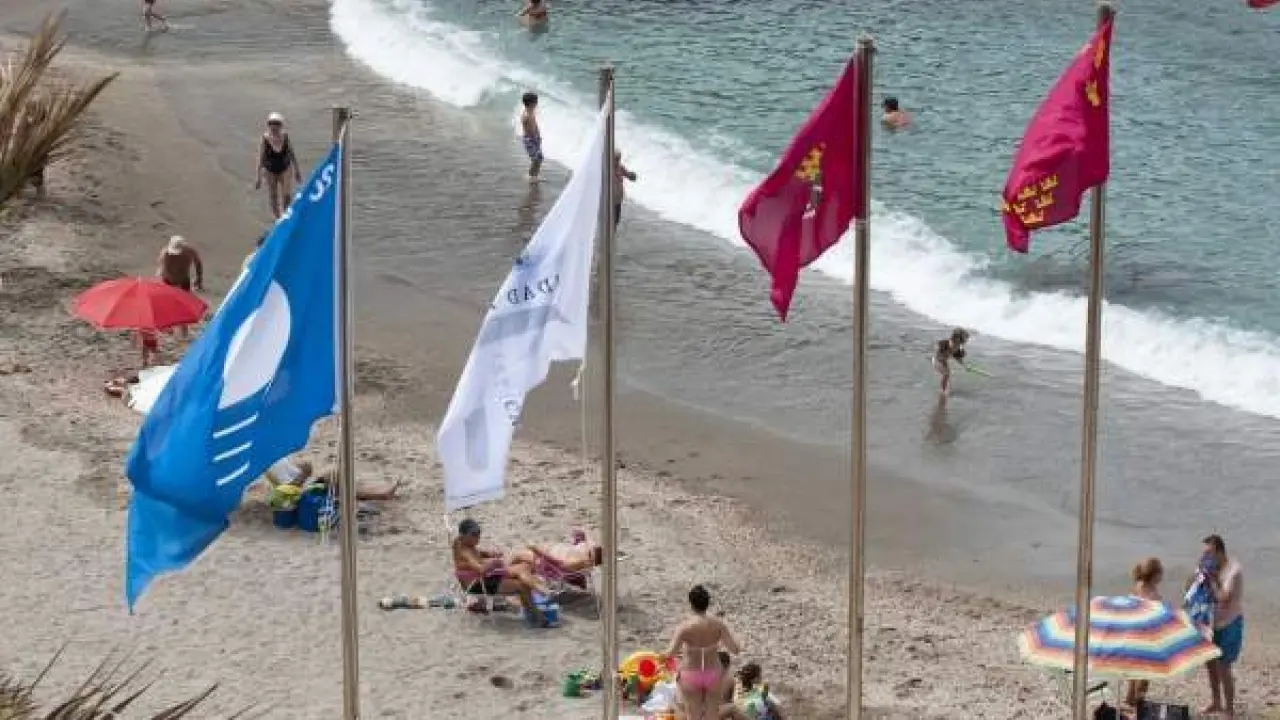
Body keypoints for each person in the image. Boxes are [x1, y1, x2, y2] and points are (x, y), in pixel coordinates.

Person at [665, 585, 741, 720]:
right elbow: (735, 649)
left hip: (690, 672)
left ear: (691, 604)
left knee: (693, 716)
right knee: (712, 716)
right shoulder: (718, 624)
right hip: (713, 672)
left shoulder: (685, 627)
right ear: (708, 603)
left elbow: (670, 653)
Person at [452, 518, 548, 624]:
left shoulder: (460, 542)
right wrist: (493, 563)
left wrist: (488, 554)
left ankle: (534, 608)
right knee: (522, 586)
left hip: (480, 579)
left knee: (520, 573)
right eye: (474, 534)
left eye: (479, 533)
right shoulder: (465, 552)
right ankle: (537, 617)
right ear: (463, 536)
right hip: (477, 584)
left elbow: (476, 553)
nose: (477, 537)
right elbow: (480, 569)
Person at [1199, 534, 1244, 718]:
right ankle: (1216, 702)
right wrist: (1201, 577)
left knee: (1224, 667)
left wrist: (1213, 578)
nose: (1206, 557)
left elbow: (1223, 598)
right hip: (1211, 623)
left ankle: (1229, 709)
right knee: (1210, 664)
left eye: (1208, 553)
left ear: (1219, 551)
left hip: (1230, 623)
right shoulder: (1211, 568)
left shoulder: (1234, 571)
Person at [1124, 557, 1164, 711]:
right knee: (1146, 673)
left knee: (1133, 671)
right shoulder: (1153, 594)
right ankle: (1138, 703)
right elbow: (1157, 617)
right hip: (1146, 637)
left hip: (1132, 634)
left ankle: (1129, 700)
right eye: (1160, 573)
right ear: (1155, 575)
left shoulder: (1137, 587)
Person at [255, 112, 302, 219]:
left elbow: (292, 153)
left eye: (277, 123)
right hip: (270, 170)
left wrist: (297, 171)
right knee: (273, 195)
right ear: (268, 125)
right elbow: (260, 157)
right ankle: (277, 218)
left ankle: (286, 215)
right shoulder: (265, 138)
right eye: (271, 123)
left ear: (281, 125)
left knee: (286, 195)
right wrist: (258, 177)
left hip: (285, 168)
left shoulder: (285, 136)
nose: (274, 126)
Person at [520, 92, 544, 182]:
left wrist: (538, 135)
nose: (537, 104)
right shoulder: (526, 115)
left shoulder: (531, 112)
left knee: (539, 158)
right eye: (536, 102)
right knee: (536, 158)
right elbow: (530, 130)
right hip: (529, 140)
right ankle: (531, 176)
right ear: (531, 103)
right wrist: (535, 139)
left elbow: (535, 125)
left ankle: (534, 175)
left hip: (534, 138)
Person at [613, 150, 637, 229]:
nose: (617, 161)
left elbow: (628, 175)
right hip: (610, 200)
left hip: (618, 199)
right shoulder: (608, 169)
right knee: (610, 220)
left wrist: (632, 176)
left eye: (618, 159)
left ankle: (613, 233)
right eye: (616, 159)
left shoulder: (620, 167)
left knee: (616, 220)